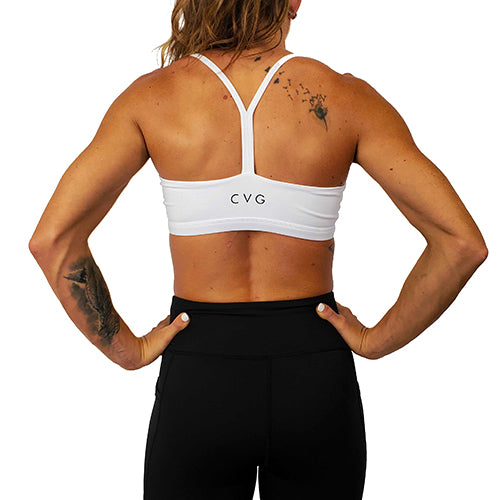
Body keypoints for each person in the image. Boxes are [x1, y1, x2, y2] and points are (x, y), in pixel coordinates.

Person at [29, 0, 488, 498]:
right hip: (313, 372)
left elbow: (54, 240)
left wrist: (127, 349)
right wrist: (377, 340)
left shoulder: (152, 99)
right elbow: (460, 243)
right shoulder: (346, 98)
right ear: (293, 2)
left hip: (200, 371)